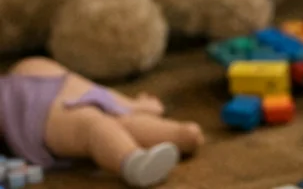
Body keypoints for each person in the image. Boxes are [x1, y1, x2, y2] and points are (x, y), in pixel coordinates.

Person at [0, 57, 203, 187]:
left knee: (120, 119)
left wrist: (132, 104)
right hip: (37, 116)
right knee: (97, 126)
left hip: (60, 86)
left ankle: (181, 135)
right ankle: (132, 161)